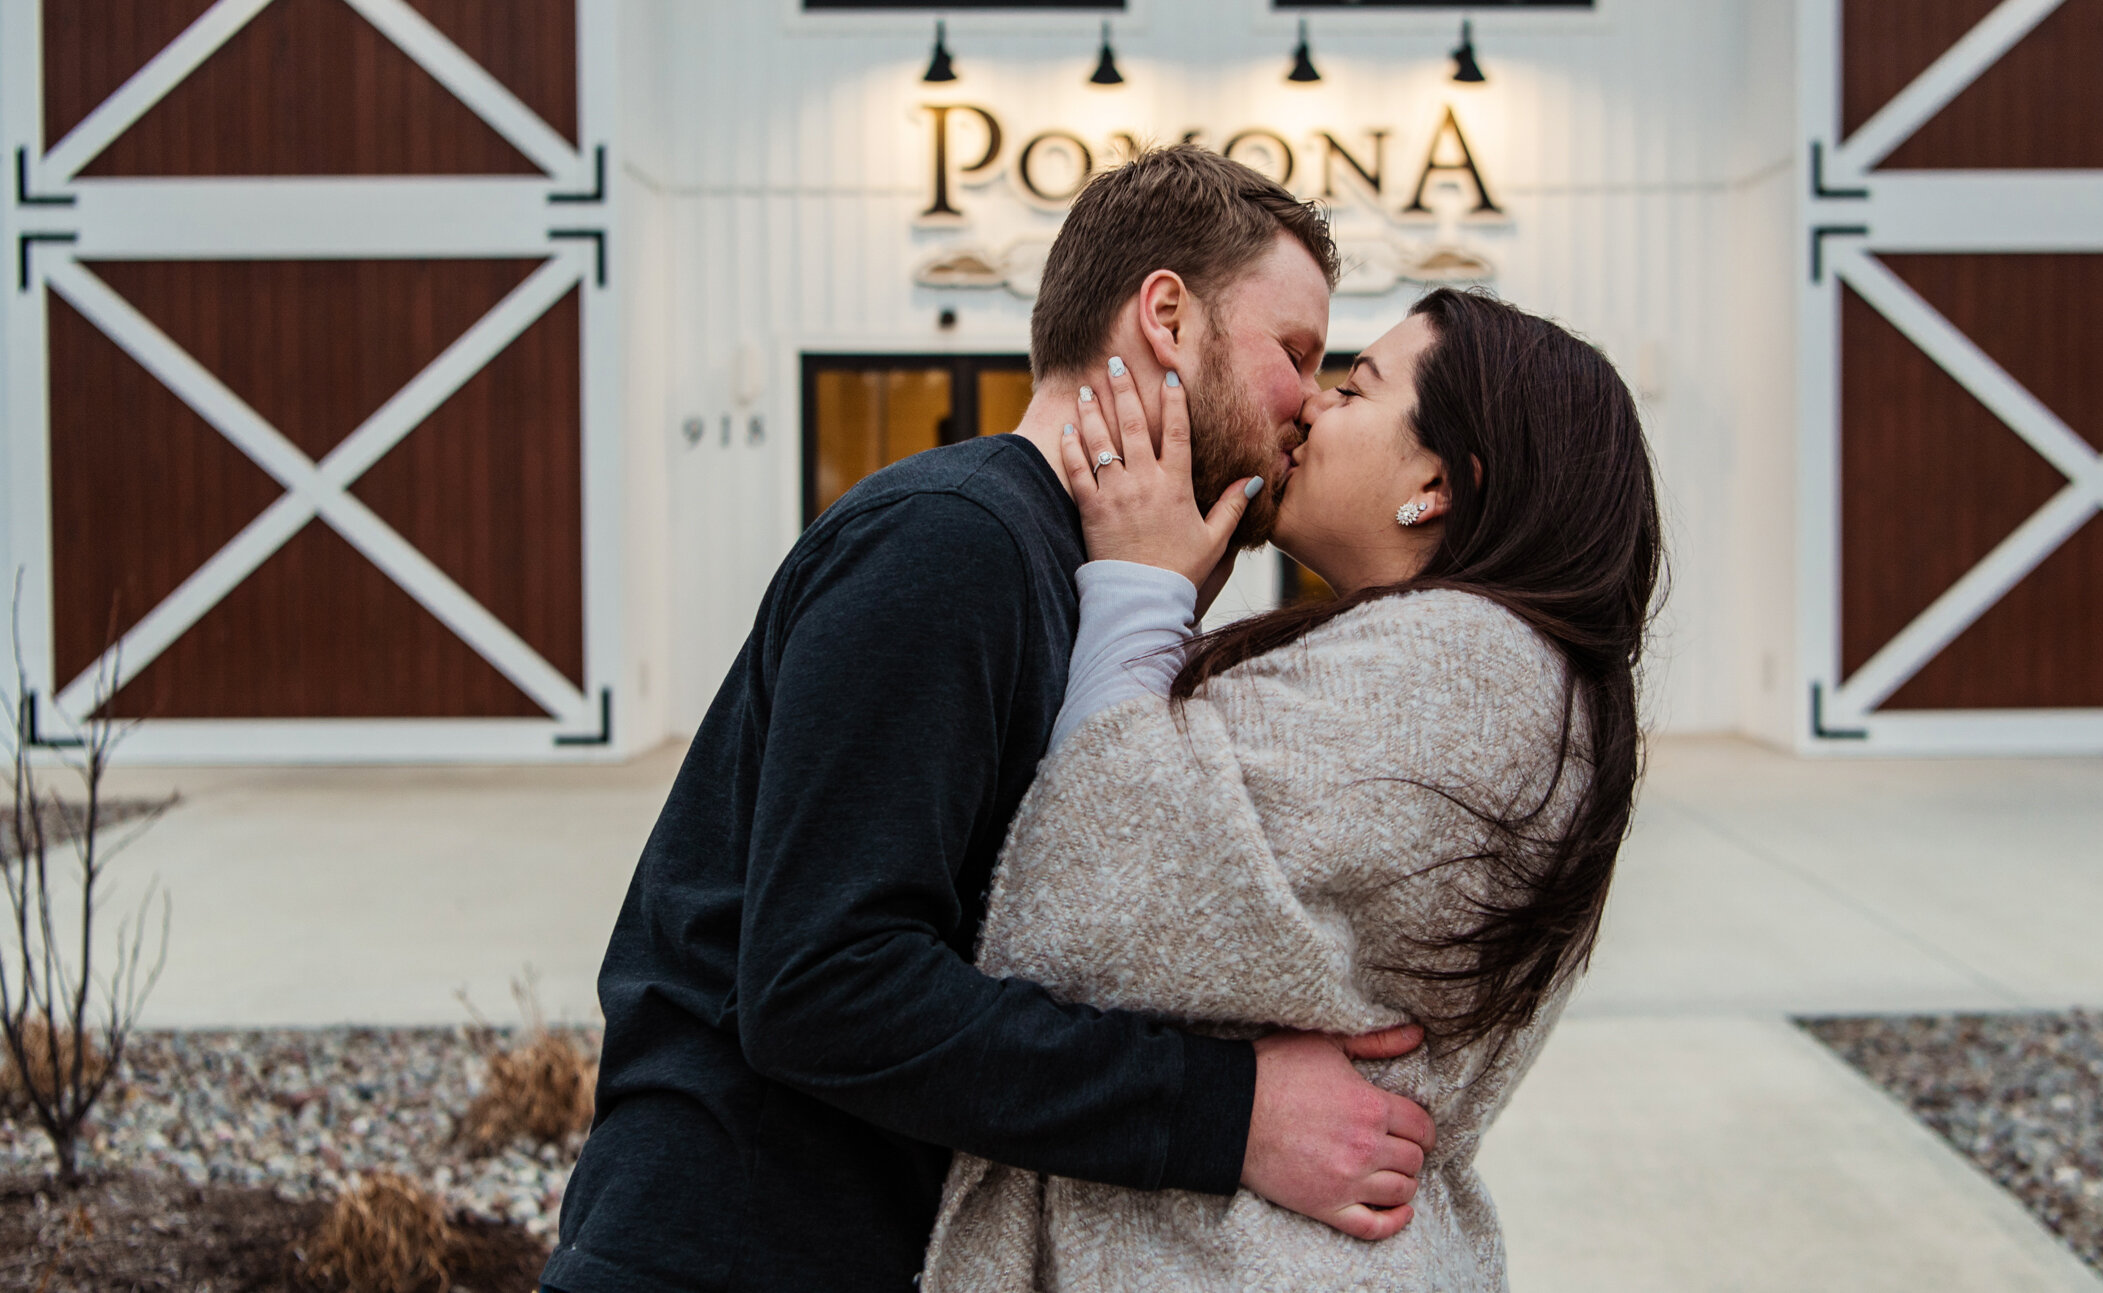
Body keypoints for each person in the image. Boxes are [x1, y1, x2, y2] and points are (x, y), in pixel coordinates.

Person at [543, 147, 1440, 1293]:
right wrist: (1233, 1112)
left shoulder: (1084, 576)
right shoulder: (950, 543)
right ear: (1168, 315)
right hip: (730, 1252)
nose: (1309, 404)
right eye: (1298, 354)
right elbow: (824, 986)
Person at [922, 287, 1663, 1290]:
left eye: (1356, 386)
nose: (1311, 403)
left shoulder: (1466, 669)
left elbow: (1095, 887)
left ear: (1439, 481)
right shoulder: (1499, 671)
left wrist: (1138, 586)